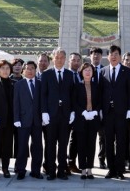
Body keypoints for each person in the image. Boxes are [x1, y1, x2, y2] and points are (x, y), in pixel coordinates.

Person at [100, 44, 130, 180]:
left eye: (116, 54)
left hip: (121, 112)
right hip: (108, 112)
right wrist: (101, 110)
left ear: (120, 57)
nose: (113, 57)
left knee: (121, 142)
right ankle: (111, 169)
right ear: (108, 57)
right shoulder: (103, 71)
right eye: (111, 54)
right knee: (108, 141)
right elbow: (101, 92)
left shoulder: (127, 72)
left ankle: (120, 170)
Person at [40, 48, 74, 180]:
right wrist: (44, 112)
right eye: (57, 57)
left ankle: (61, 171)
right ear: (53, 59)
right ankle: (51, 171)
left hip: (65, 115)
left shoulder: (70, 75)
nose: (59, 60)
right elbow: (43, 95)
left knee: (63, 144)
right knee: (50, 144)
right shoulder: (46, 75)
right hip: (51, 115)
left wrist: (72, 112)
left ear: (65, 59)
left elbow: (72, 95)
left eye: (62, 57)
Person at [13, 60, 44, 180]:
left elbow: (43, 102)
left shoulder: (41, 84)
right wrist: (16, 118)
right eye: (28, 68)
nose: (30, 70)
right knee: (22, 146)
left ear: (35, 70)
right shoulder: (19, 84)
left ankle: (36, 170)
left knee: (37, 146)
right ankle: (21, 170)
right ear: (23, 70)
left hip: (37, 120)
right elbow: (16, 102)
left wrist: (44, 116)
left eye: (32, 68)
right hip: (23, 120)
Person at [72, 62, 100, 179]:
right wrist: (82, 112)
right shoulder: (77, 85)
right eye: (85, 70)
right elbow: (74, 102)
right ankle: (83, 169)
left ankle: (90, 168)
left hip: (93, 119)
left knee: (91, 144)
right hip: (81, 119)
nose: (88, 72)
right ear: (81, 72)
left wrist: (95, 111)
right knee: (81, 144)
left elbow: (100, 101)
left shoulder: (97, 86)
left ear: (93, 73)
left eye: (90, 70)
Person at [89, 47, 106, 169]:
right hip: (88, 109)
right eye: (94, 54)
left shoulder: (105, 71)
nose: (96, 57)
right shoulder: (84, 70)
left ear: (101, 57)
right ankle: (86, 161)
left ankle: (101, 159)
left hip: (102, 109)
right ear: (90, 56)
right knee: (88, 137)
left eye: (98, 55)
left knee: (103, 137)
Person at [66, 52, 82, 174]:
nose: (76, 62)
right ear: (69, 61)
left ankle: (72, 162)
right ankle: (62, 163)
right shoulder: (65, 75)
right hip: (66, 112)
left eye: (78, 60)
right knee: (64, 139)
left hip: (79, 113)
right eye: (73, 60)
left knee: (75, 139)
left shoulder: (81, 75)